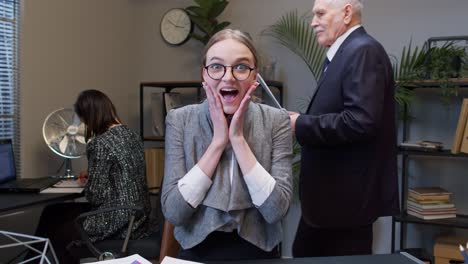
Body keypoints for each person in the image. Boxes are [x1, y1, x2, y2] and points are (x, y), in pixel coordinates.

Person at [161, 28, 293, 261]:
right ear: (204, 74)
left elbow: (276, 211)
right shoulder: (180, 120)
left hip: (259, 253)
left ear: (255, 76)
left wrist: (238, 141)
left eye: (241, 67)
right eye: (216, 66)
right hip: (196, 253)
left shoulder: (276, 121)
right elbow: (174, 212)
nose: (228, 77)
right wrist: (218, 143)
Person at [288, 0, 400, 257]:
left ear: (347, 13)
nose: (313, 22)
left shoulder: (362, 50)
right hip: (330, 205)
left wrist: (301, 124)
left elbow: (361, 121)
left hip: (343, 206)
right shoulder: (347, 51)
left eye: (320, 14)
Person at [29, 89, 152, 263]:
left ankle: (33, 260)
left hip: (118, 219)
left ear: (89, 117)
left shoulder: (100, 143)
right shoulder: (132, 135)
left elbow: (96, 195)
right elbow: (126, 172)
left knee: (59, 234)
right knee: (52, 212)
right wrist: (95, 173)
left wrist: (91, 180)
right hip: (139, 217)